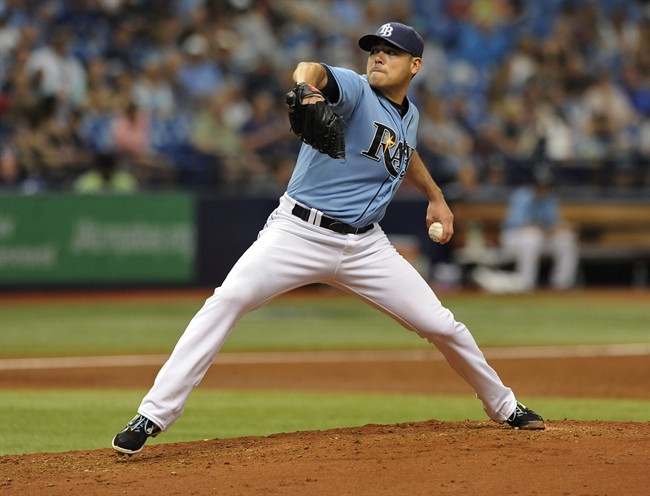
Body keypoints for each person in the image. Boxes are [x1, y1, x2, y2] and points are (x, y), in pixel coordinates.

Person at [112, 22, 545, 456]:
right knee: (226, 301)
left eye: (390, 52)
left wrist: (436, 197)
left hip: (366, 246)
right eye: (374, 49)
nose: (378, 56)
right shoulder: (356, 89)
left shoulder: (409, 115)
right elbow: (312, 69)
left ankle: (504, 405)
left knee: (442, 325)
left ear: (415, 65)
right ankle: (152, 414)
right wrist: (307, 87)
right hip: (297, 232)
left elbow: (405, 151)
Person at [473, 166, 579, 293]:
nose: (543, 188)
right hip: (514, 238)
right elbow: (520, 224)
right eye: (540, 185)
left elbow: (553, 223)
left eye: (546, 185)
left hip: (540, 238)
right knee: (532, 236)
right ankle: (526, 282)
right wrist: (546, 230)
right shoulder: (522, 196)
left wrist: (560, 228)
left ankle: (562, 284)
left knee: (565, 239)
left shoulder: (549, 198)